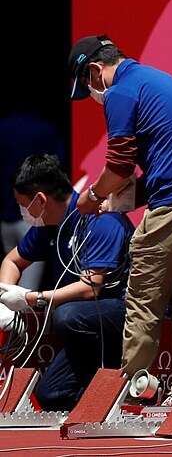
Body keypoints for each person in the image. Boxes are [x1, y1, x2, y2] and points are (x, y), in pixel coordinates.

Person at [69, 35, 172, 402]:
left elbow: (119, 163)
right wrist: (120, 199)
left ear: (95, 70)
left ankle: (127, 395)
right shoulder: (154, 80)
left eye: (87, 85)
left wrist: (94, 196)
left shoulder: (119, 93)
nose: (93, 95)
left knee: (143, 298)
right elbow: (169, 158)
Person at [0, 154, 133, 410]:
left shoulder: (100, 218)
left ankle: (114, 385)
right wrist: (7, 299)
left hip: (123, 312)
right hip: (84, 322)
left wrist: (32, 298)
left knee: (67, 315)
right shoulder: (48, 226)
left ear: (40, 200)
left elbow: (90, 287)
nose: (22, 212)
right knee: (51, 396)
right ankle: (101, 403)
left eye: (22, 204)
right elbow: (12, 262)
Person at [0, 111, 68, 290]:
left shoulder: (3, 129)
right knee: (24, 287)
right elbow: (11, 262)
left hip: (7, 217)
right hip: (25, 220)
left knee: (25, 291)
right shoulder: (45, 130)